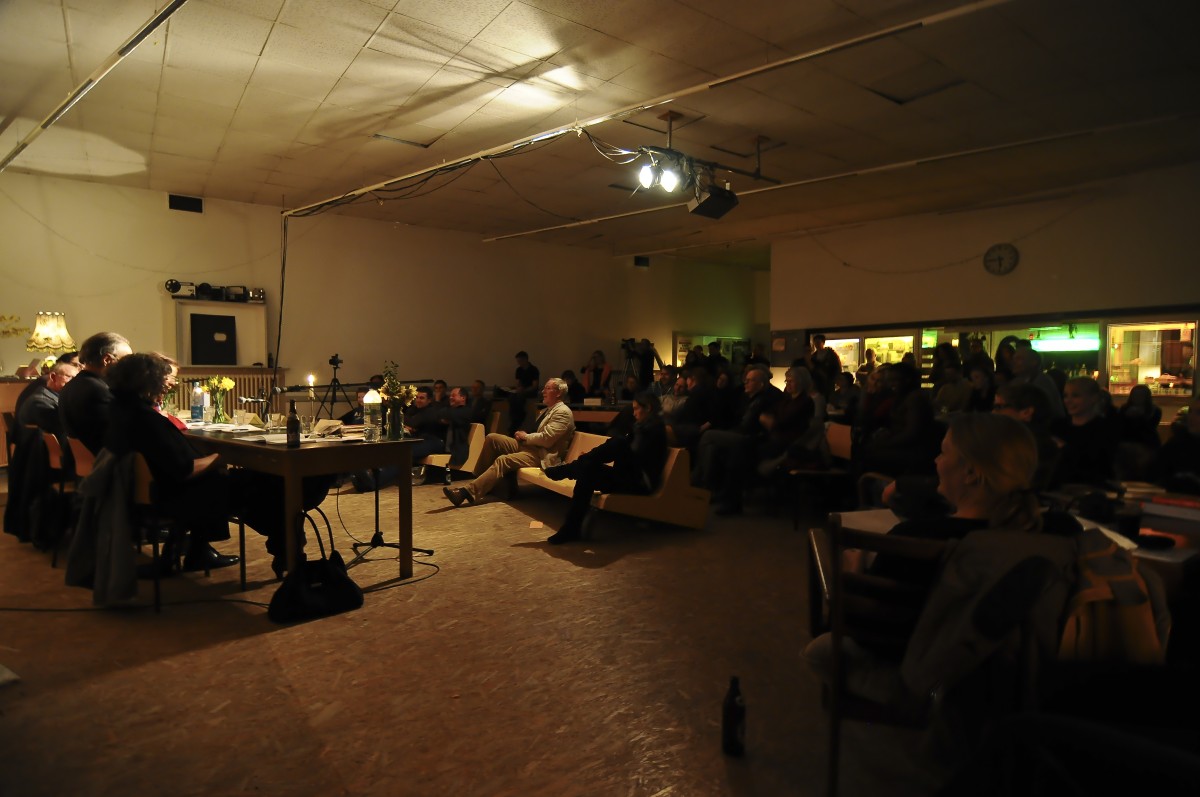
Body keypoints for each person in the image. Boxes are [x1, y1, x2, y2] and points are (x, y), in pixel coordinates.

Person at [103, 353, 239, 572]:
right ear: (148, 381)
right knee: (248, 485)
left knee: (217, 478)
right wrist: (220, 457)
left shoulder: (119, 410)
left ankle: (194, 552)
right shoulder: (146, 419)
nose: (168, 386)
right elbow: (184, 470)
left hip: (143, 492)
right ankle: (199, 552)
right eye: (163, 380)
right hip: (170, 496)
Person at [542, 392, 668, 544]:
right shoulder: (639, 427)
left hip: (639, 483)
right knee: (587, 469)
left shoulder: (656, 430)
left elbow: (638, 459)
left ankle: (569, 469)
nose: (634, 413)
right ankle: (571, 528)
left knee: (618, 443)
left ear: (648, 408)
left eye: (636, 409)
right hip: (626, 477)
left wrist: (626, 441)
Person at [444, 378, 575, 506]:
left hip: (542, 454)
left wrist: (526, 436)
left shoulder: (563, 412)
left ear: (558, 393)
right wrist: (523, 434)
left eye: (547, 388)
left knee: (503, 460)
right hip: (531, 446)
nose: (543, 391)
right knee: (492, 438)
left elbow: (547, 440)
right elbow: (538, 432)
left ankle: (467, 492)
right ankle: (480, 481)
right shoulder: (546, 410)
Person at [59, 331, 133, 455]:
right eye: (126, 361)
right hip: (101, 462)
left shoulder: (71, 385)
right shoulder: (98, 391)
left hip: (76, 462)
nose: (128, 367)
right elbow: (119, 436)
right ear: (107, 360)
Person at [1052, 376, 1119, 487]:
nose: (1068, 401)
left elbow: (1097, 465)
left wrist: (1063, 447)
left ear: (1094, 398)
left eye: (1075, 396)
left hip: (1094, 487)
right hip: (1059, 487)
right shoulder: (1057, 426)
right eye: (1065, 396)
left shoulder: (1104, 428)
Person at [1010, 343, 1065, 419]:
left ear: (1033, 362)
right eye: (1013, 359)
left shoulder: (1043, 381)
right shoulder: (1018, 382)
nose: (1013, 362)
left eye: (1019, 359)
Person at [502, 350, 540, 435]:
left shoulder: (533, 370)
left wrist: (523, 390)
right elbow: (518, 383)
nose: (518, 363)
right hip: (521, 391)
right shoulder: (519, 370)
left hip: (531, 391)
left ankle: (518, 417)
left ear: (525, 359)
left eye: (520, 361)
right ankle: (515, 417)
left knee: (519, 396)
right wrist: (518, 389)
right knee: (511, 397)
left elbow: (535, 386)